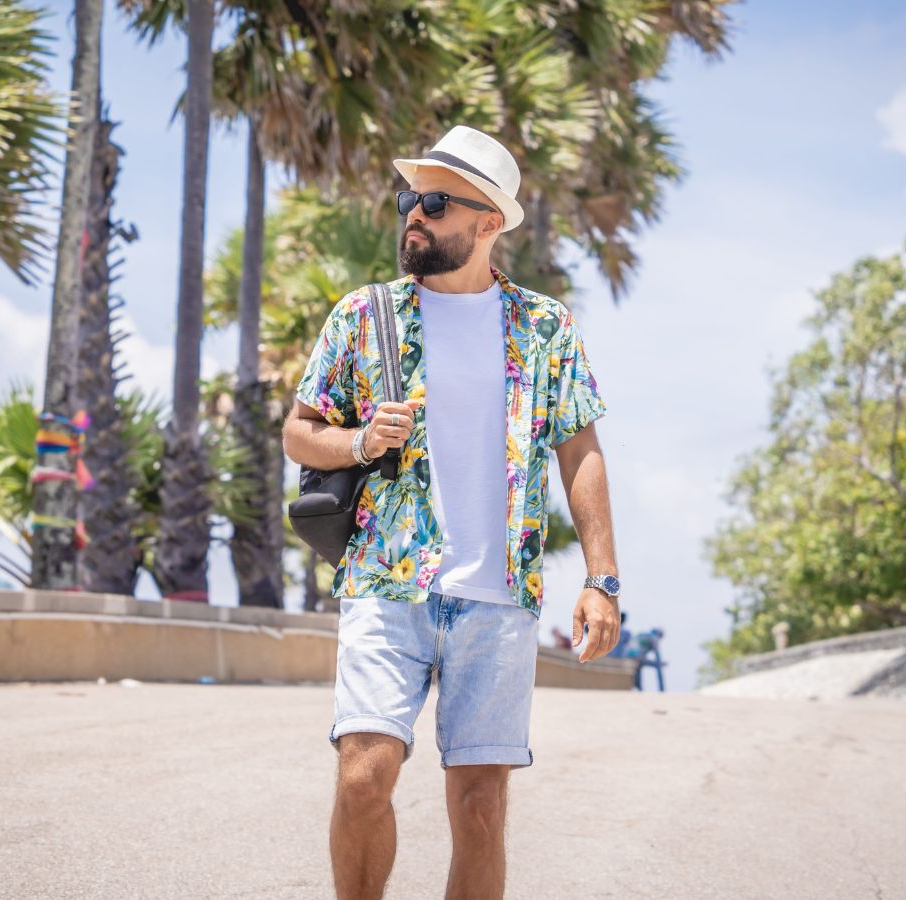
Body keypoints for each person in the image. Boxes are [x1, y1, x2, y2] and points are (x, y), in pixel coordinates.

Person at [282, 124, 622, 900]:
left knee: (479, 809)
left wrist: (602, 578)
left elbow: (581, 451)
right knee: (363, 778)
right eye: (409, 199)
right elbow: (299, 430)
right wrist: (361, 439)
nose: (414, 215)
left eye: (434, 202)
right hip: (386, 580)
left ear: (488, 222)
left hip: (498, 600)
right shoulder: (364, 316)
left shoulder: (544, 329)